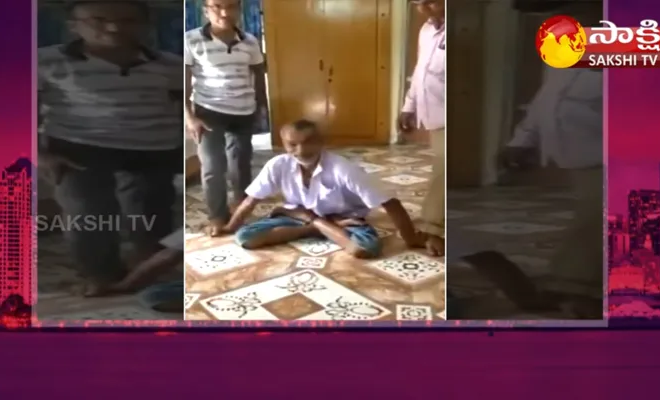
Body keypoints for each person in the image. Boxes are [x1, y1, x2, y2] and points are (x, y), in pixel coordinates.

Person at [37, 0, 184, 296]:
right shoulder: (45, 62)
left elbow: (182, 106)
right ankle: (100, 273)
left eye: (128, 20)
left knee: (150, 211)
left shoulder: (170, 65)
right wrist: (40, 154)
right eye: (98, 19)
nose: (115, 27)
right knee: (88, 215)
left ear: (145, 25)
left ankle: (150, 269)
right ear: (73, 25)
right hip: (78, 149)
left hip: (153, 149)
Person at [498, 0, 603, 318]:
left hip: (619, 151)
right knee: (594, 215)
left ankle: (579, 286)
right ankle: (581, 285)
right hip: (577, 152)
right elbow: (549, 95)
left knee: (599, 216)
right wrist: (522, 140)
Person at [207, 120, 427, 258]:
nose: (301, 150)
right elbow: (250, 200)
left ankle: (319, 224)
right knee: (245, 237)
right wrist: (229, 226)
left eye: (309, 142)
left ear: (322, 141)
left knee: (365, 249)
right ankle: (321, 227)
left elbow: (390, 202)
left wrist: (411, 238)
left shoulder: (343, 168)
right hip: (302, 217)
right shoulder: (278, 164)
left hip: (345, 218)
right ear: (284, 144)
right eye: (293, 144)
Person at [184, 0, 267, 233]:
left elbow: (258, 75)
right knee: (212, 166)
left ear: (239, 10)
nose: (224, 12)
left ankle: (241, 207)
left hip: (243, 111)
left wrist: (261, 107)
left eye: (231, 6)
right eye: (216, 6)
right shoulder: (191, 40)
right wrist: (190, 117)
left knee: (241, 164)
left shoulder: (249, 41)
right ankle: (217, 216)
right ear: (205, 10)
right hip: (208, 112)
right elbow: (181, 83)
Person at [397, 0, 446, 257]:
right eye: (418, 3)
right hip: (434, 115)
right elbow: (420, 72)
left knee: (443, 170)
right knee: (442, 168)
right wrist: (409, 106)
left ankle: (434, 229)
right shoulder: (426, 30)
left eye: (432, 1)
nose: (425, 8)